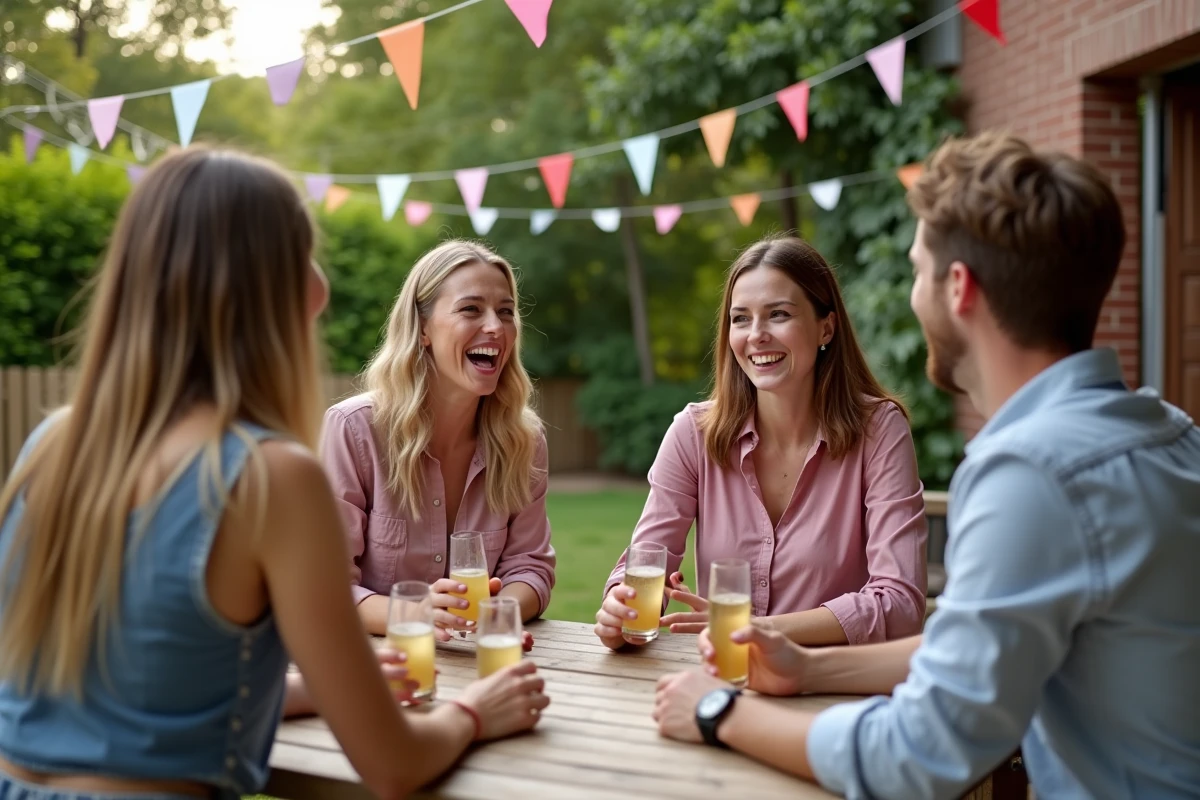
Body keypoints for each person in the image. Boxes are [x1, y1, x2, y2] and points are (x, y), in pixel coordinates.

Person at [652, 132, 1200, 799]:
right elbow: (977, 652)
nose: (913, 296)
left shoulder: (1033, 475)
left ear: (959, 288)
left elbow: (919, 753)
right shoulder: (1172, 434)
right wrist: (808, 671)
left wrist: (719, 712)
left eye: (917, 270)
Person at [0, 149, 549, 800]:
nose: (320, 285)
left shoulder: (53, 443)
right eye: (303, 255)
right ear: (265, 288)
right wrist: (475, 710)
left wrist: (322, 688)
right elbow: (395, 766)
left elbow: (137, 680)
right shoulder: (272, 478)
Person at [595, 234, 927, 650]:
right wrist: (619, 611)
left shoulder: (879, 430)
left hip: (835, 689)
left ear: (826, 325)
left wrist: (753, 629)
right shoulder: (692, 434)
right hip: (726, 683)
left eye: (778, 315)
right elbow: (644, 564)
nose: (756, 335)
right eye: (740, 318)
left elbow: (900, 605)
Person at [322, 240, 555, 641]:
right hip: (382, 670)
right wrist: (415, 615)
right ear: (424, 329)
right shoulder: (354, 430)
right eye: (470, 309)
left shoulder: (524, 440)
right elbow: (325, 587)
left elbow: (530, 568)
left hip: (483, 665)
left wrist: (498, 613)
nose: (496, 327)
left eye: (506, 312)